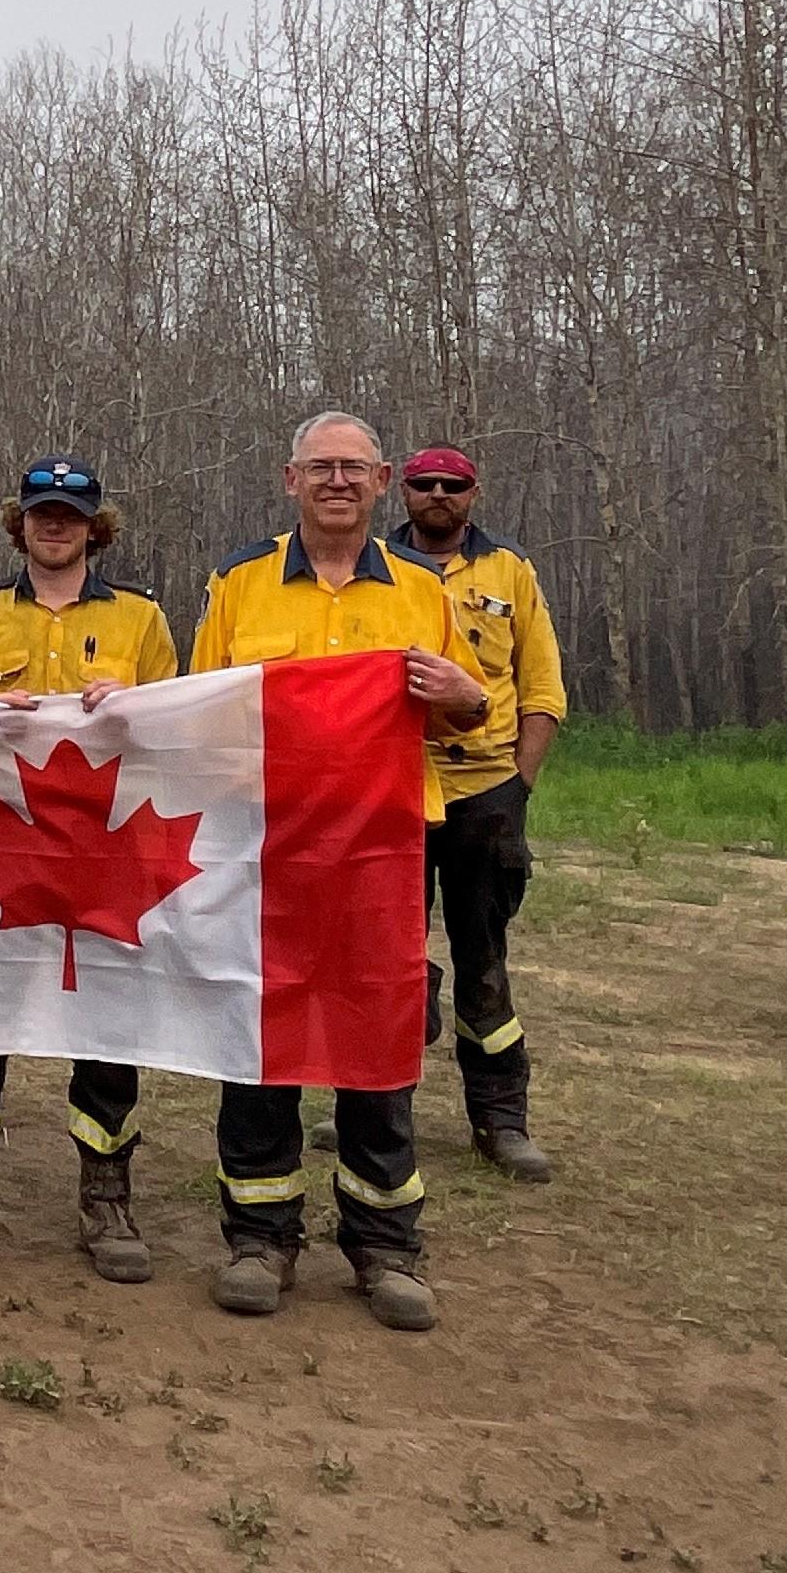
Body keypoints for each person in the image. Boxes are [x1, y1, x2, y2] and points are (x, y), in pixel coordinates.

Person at [189, 409, 490, 1332]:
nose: (335, 482)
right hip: (266, 845)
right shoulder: (240, 585)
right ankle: (260, 1235)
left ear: (382, 479)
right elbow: (197, 711)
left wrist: (462, 697)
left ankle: (386, 1246)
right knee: (262, 1030)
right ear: (290, 480)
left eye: (353, 468)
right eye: (319, 467)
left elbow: (472, 705)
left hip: (380, 851)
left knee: (374, 1034)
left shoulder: (421, 590)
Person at [0, 453, 179, 1283]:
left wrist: (132, 713)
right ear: (19, 522)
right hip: (1, 858)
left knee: (108, 1030)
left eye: (69, 514)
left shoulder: (142, 621)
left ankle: (107, 1196)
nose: (53, 525)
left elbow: (180, 735)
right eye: (40, 513)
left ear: (95, 527)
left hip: (104, 860)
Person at [391, 444, 568, 1184]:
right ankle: (376, 1114)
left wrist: (518, 782)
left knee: (484, 962)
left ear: (473, 492)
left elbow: (543, 688)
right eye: (424, 484)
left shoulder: (510, 572)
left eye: (452, 485)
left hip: (482, 792)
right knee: (385, 962)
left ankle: (501, 1118)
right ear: (402, 491)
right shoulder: (373, 570)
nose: (437, 495)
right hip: (392, 791)